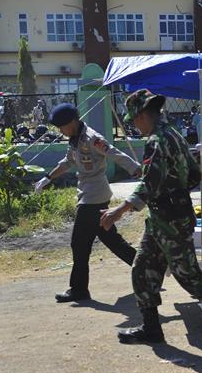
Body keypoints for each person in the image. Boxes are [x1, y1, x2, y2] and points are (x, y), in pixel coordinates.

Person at [99, 90, 202, 345]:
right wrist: (174, 189)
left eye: (134, 120)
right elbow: (193, 173)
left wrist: (118, 211)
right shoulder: (174, 134)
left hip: (171, 220)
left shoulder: (157, 140)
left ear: (144, 115)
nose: (134, 125)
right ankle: (151, 328)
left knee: (187, 273)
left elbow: (149, 183)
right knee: (142, 269)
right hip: (163, 217)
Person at [34, 103, 142, 303]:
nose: (61, 131)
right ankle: (148, 271)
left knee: (79, 244)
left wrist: (136, 169)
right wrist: (48, 178)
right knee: (111, 240)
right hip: (88, 194)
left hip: (94, 197)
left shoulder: (92, 138)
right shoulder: (75, 139)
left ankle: (79, 290)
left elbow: (114, 153)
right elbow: (68, 162)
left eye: (62, 127)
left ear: (72, 122)